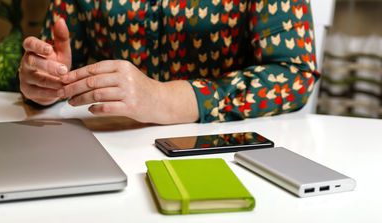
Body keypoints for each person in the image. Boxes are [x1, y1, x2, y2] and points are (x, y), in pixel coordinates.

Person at [19, 0, 319, 124]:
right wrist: (46, 81)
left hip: (227, 146)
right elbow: (60, 59)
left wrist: (167, 99)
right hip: (107, 145)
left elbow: (295, 73)